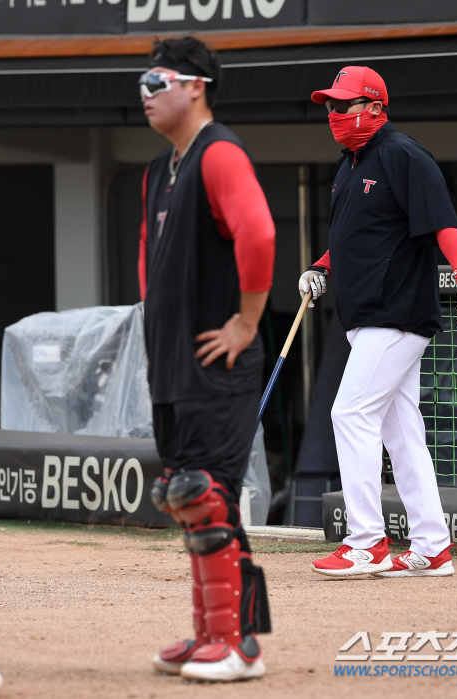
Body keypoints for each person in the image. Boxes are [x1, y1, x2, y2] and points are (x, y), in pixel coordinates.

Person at [299, 66, 457, 578]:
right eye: (330, 106)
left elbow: (444, 224)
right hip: (366, 314)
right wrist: (321, 267)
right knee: (401, 434)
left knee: (349, 414)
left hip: (397, 312)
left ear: (375, 108)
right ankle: (431, 546)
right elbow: (354, 235)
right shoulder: (350, 162)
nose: (334, 114)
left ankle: (366, 542)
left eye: (343, 105)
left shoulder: (404, 154)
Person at [138, 37, 276, 681]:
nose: (144, 94)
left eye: (155, 80)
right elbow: (151, 265)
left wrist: (246, 323)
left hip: (217, 364)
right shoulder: (157, 170)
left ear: (195, 85)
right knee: (185, 497)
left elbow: (260, 230)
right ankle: (209, 635)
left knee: (209, 496)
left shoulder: (218, 153)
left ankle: (241, 645)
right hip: (174, 364)